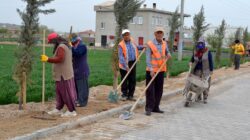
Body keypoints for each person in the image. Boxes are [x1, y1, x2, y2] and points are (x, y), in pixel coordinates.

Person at [41, 32, 77, 117]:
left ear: (55, 40)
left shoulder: (61, 47)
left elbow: (60, 59)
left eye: (52, 42)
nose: (52, 44)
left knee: (66, 93)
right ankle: (58, 109)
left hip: (63, 74)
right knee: (60, 93)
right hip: (62, 74)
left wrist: (47, 59)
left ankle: (72, 111)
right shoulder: (65, 45)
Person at [145, 26, 171, 116]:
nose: (159, 34)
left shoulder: (164, 43)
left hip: (161, 70)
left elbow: (167, 52)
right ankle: (149, 108)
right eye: (158, 33)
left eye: (161, 33)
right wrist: (151, 69)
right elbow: (148, 58)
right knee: (150, 90)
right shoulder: (150, 44)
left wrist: (169, 54)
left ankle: (156, 107)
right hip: (151, 71)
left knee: (159, 90)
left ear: (163, 34)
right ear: (155, 34)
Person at [185, 37, 214, 105]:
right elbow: (192, 59)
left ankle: (205, 97)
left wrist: (211, 70)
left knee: (205, 84)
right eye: (199, 43)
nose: (200, 44)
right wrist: (190, 62)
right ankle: (198, 96)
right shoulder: (196, 51)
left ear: (204, 44)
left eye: (201, 43)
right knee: (196, 84)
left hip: (205, 71)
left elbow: (210, 61)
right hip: (196, 70)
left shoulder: (208, 52)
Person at [118, 29, 144, 101]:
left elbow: (137, 47)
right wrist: (126, 67)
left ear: (129, 35)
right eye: (125, 35)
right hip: (124, 64)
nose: (127, 36)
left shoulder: (132, 41)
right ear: (123, 36)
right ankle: (124, 94)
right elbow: (121, 57)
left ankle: (131, 95)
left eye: (128, 34)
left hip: (133, 63)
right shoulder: (121, 45)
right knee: (124, 79)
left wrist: (143, 47)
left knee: (132, 79)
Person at [71, 34, 90, 107]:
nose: (74, 44)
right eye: (73, 43)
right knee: (77, 87)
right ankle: (78, 100)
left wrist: (71, 48)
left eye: (74, 42)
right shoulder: (75, 47)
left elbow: (78, 53)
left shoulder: (82, 46)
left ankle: (82, 102)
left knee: (82, 88)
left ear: (78, 41)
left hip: (82, 70)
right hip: (76, 70)